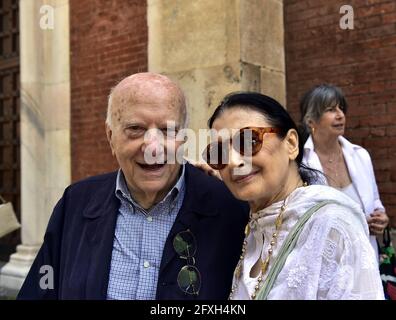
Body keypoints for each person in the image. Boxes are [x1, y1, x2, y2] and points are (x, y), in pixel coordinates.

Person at [17, 72, 249, 300]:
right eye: (135, 129)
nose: (153, 147)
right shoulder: (76, 202)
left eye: (168, 130)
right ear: (110, 137)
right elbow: (43, 285)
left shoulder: (230, 208)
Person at [202, 91, 384, 299]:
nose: (233, 162)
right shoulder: (254, 226)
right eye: (219, 153)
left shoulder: (331, 225)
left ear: (291, 144)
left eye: (249, 141)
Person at [299, 84, 389, 260]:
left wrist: (381, 216)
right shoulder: (301, 163)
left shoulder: (360, 155)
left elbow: (375, 200)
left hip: (365, 259)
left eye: (341, 108)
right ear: (311, 121)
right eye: (331, 110)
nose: (340, 115)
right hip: (324, 262)